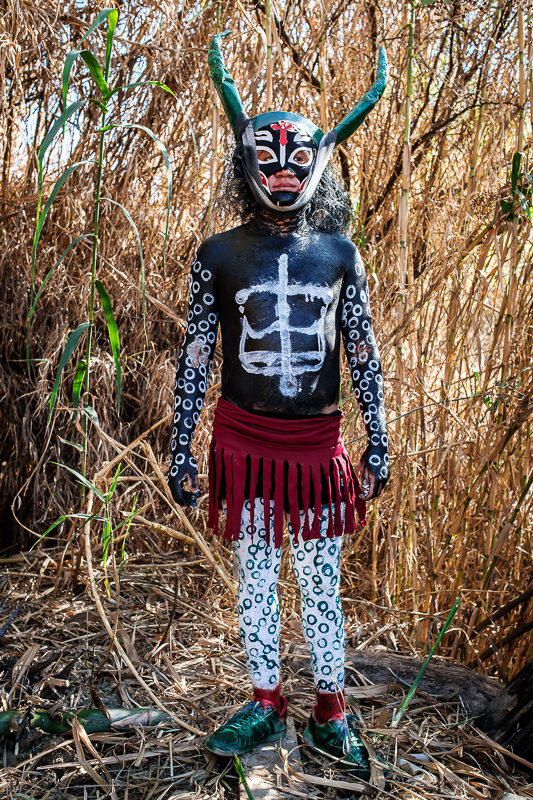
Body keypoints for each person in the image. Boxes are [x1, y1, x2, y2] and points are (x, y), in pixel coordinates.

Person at [168, 32, 390, 777]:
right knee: (258, 577)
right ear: (244, 162)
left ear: (320, 164)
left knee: (319, 581)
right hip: (244, 446)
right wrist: (178, 448)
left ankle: (331, 711)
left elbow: (360, 350)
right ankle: (267, 701)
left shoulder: (339, 254)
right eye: (268, 157)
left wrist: (378, 441)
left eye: (299, 158)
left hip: (315, 452)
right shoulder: (218, 255)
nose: (284, 170)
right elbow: (198, 353)